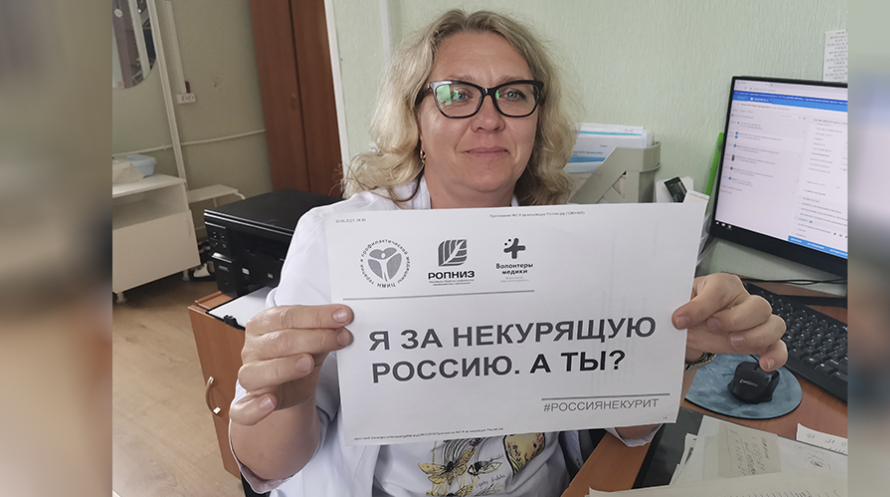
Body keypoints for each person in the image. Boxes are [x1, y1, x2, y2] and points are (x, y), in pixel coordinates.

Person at [229, 9, 786, 497]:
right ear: (415, 117)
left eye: (514, 94)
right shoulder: (338, 241)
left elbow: (629, 431)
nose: (490, 117)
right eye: (457, 94)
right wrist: (287, 396)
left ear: (537, 119)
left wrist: (671, 351)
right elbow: (268, 467)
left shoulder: (578, 244)